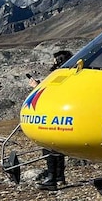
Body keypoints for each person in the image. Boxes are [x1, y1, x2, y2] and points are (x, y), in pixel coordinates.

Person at [29, 49, 73, 191]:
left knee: (49, 147)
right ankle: (60, 177)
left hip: (53, 115)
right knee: (58, 148)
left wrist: (37, 87)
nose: (52, 63)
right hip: (62, 116)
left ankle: (51, 178)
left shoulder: (59, 75)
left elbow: (51, 93)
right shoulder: (71, 75)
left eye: (55, 61)